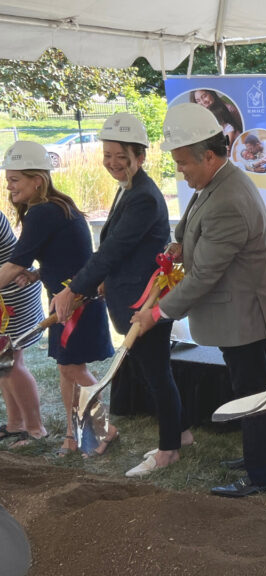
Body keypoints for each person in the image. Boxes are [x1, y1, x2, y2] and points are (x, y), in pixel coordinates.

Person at [131, 102, 266, 497]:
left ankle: (262, 475)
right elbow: (190, 220)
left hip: (244, 313)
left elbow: (203, 277)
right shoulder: (216, 182)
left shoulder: (228, 199)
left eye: (183, 162)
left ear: (210, 156)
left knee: (251, 392)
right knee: (257, 386)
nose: (180, 170)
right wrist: (179, 244)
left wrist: (158, 313)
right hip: (241, 310)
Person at [51, 113, 191, 477]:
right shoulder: (130, 188)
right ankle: (182, 433)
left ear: (140, 156)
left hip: (144, 300)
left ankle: (170, 448)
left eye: (121, 156)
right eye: (107, 154)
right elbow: (121, 250)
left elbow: (112, 249)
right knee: (154, 372)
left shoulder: (142, 196)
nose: (112, 163)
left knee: (156, 374)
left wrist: (74, 289)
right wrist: (99, 282)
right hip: (128, 293)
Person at [0, 140, 116, 456]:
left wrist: (28, 270)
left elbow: (13, 265)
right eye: (8, 179)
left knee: (73, 370)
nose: (9, 187)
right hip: (69, 300)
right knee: (67, 369)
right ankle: (72, 434)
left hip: (76, 302)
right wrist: (39, 274)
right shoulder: (53, 207)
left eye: (15, 179)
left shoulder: (43, 213)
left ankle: (105, 428)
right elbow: (65, 253)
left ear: (37, 180)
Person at [0, 211, 45, 448]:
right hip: (8, 292)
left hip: (13, 294)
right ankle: (15, 424)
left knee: (11, 362)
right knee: (3, 364)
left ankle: (35, 429)